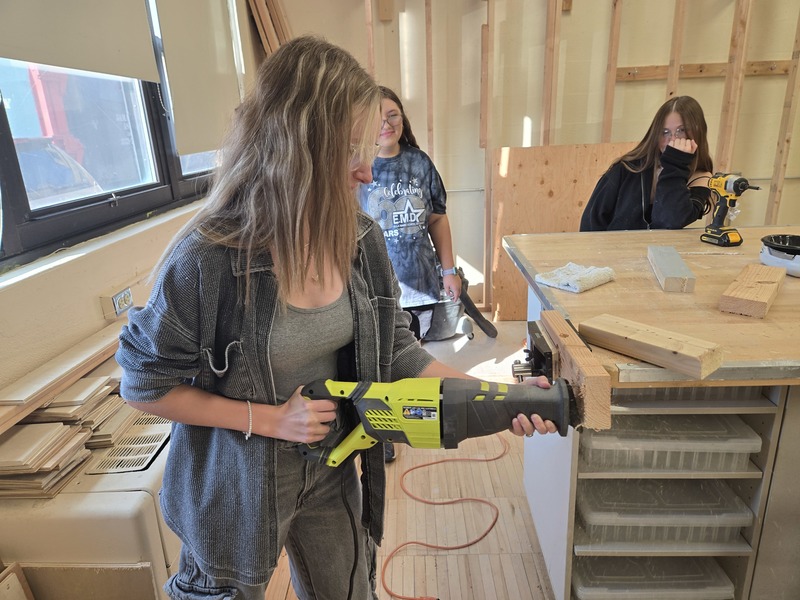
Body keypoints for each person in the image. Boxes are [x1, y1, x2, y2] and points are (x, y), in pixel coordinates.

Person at [115, 36, 557, 600]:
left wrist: (496, 397)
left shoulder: (360, 240)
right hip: (236, 487)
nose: (368, 172)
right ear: (295, 149)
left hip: (332, 462)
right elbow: (143, 386)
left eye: (368, 145)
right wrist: (270, 420)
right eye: (352, 149)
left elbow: (397, 352)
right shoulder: (206, 260)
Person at [359, 86, 461, 342]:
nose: (386, 123)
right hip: (375, 288)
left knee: (415, 350)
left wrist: (449, 272)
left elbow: (437, 217)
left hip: (419, 284)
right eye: (377, 117)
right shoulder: (357, 168)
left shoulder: (420, 163)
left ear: (402, 118)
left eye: (392, 115)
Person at [580, 95, 714, 231]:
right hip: (616, 250)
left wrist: (675, 164)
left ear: (698, 131)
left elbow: (669, 220)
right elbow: (590, 224)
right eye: (665, 132)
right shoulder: (627, 169)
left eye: (682, 130)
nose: (673, 140)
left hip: (663, 251)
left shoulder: (701, 178)